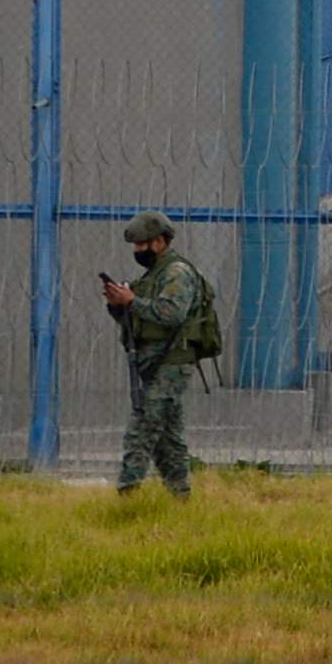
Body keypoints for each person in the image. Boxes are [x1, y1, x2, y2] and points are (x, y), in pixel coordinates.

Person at [100, 210, 220, 497]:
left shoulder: (176, 272)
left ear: (159, 241)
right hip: (154, 362)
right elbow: (139, 320)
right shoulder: (155, 274)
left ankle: (128, 494)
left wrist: (133, 301)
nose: (137, 250)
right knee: (168, 439)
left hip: (172, 362)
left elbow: (172, 314)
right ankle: (180, 498)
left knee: (142, 428)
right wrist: (119, 304)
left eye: (142, 244)